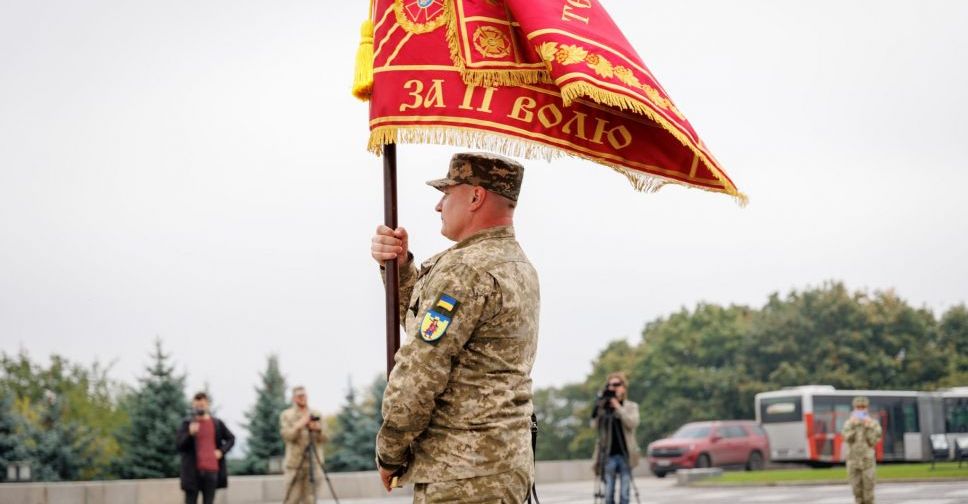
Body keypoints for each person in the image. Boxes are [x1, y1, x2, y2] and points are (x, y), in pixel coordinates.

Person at [370, 152, 540, 503]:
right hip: (503, 466)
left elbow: (420, 369)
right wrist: (400, 269)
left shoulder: (464, 269)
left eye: (448, 193)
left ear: (476, 197)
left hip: (461, 473)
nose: (438, 205)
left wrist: (390, 451)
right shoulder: (519, 265)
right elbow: (429, 330)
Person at [176, 392, 235, 504]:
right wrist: (190, 434)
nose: (200, 408)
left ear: (208, 405)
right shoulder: (187, 423)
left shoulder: (216, 423)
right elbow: (179, 446)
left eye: (202, 405)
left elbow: (231, 439)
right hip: (192, 472)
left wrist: (221, 452)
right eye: (197, 405)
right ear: (193, 405)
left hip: (211, 471)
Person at [591, 372, 639, 504]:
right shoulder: (604, 407)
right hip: (608, 455)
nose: (613, 387)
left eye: (616, 384)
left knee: (625, 493)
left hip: (626, 455)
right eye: (610, 385)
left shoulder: (631, 406)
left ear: (624, 387)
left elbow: (632, 423)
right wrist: (601, 407)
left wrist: (618, 407)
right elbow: (594, 426)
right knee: (608, 494)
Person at [279, 385, 328, 504]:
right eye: (299, 396)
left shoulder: (316, 414)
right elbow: (287, 436)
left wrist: (317, 429)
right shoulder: (287, 415)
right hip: (294, 464)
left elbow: (325, 438)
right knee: (292, 498)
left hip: (313, 463)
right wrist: (301, 424)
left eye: (304, 395)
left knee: (310, 499)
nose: (302, 398)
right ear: (294, 398)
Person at [842, 396, 882, 504]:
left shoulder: (873, 424)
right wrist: (854, 426)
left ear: (867, 408)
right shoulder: (849, 423)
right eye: (858, 407)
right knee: (856, 491)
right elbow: (847, 438)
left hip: (867, 460)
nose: (860, 409)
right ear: (854, 408)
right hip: (853, 460)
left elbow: (873, 441)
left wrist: (868, 426)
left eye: (862, 407)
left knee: (868, 492)